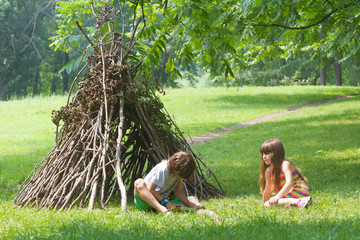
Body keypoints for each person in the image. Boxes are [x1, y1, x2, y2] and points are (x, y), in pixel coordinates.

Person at [134, 151, 203, 213]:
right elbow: (150, 190)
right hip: (145, 201)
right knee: (139, 182)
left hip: (161, 201)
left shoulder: (178, 172)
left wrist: (189, 204)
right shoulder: (163, 170)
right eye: (179, 175)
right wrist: (166, 202)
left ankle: (163, 209)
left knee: (182, 206)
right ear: (175, 167)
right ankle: (161, 209)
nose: (179, 177)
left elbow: (178, 191)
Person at [259, 139, 312, 208]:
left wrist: (277, 196)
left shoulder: (285, 164)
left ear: (276, 153)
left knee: (273, 203)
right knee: (269, 204)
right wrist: (264, 204)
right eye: (263, 154)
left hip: (299, 190)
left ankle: (299, 201)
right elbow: (267, 190)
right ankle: (300, 203)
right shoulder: (268, 171)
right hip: (290, 194)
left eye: (267, 154)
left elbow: (290, 183)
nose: (264, 156)